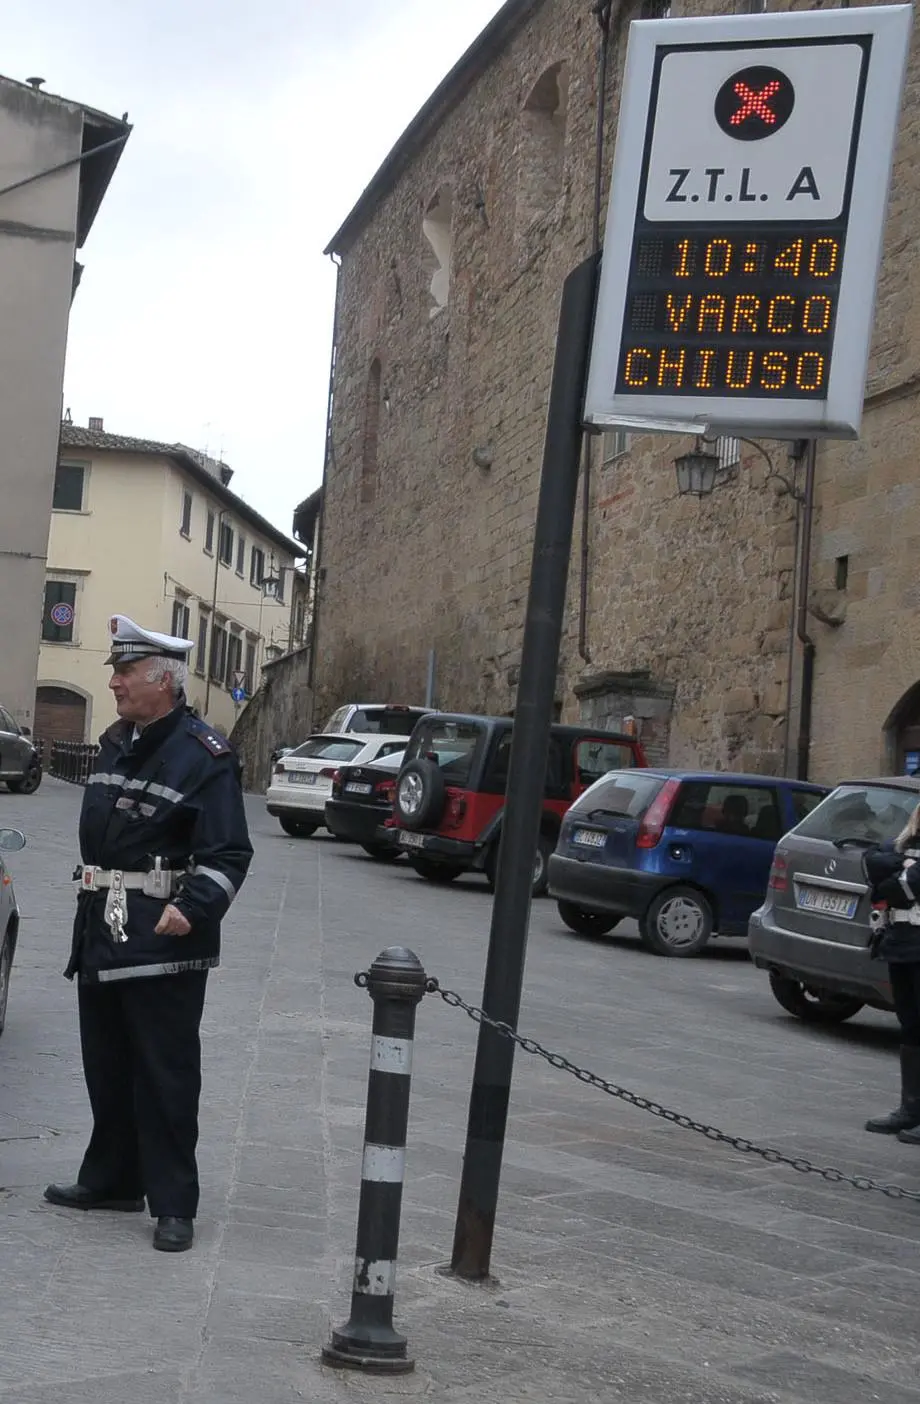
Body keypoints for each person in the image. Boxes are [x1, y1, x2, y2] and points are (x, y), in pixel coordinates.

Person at [44, 614, 253, 1251]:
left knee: (164, 1072)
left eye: (124, 671)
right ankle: (112, 1179)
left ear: (162, 681)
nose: (113, 683)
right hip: (102, 928)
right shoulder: (114, 742)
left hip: (163, 935)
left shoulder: (203, 755)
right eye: (115, 671)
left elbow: (229, 853)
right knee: (105, 1064)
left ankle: (172, 1203)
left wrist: (192, 908)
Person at [863, 799, 920, 1143]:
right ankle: (910, 1109)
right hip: (902, 943)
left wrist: (897, 879)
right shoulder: (905, 845)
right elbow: (873, 864)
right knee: (911, 1026)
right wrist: (896, 876)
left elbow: (905, 885)